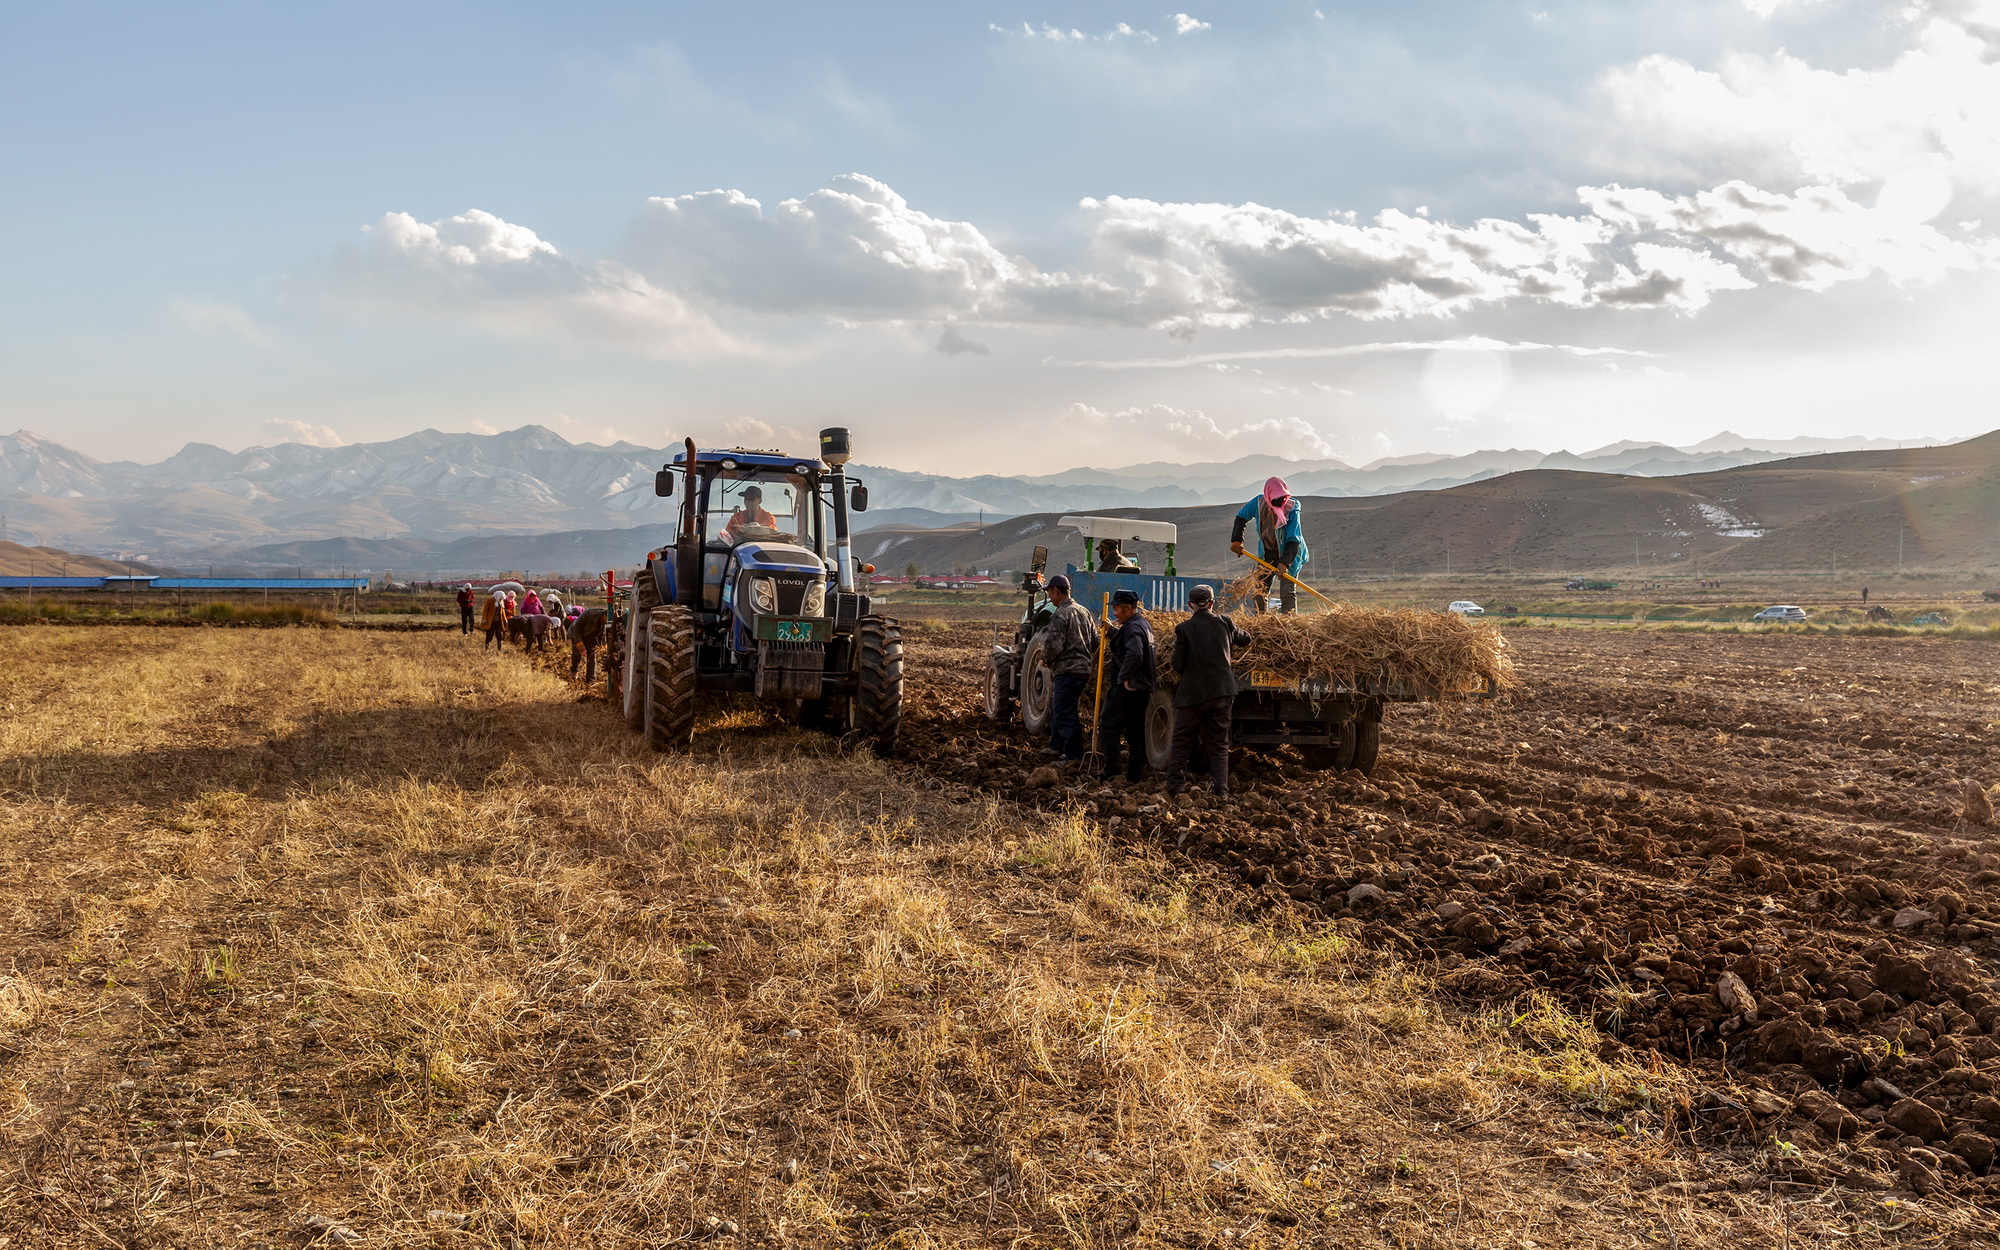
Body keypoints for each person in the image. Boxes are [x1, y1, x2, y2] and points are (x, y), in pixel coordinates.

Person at [1167, 584, 1250, 796]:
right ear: (1212, 604)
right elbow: (1245, 638)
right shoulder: (1225, 622)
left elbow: (1178, 664)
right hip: (1223, 692)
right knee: (1219, 744)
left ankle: (1175, 787)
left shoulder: (1184, 628)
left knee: (1181, 742)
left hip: (1192, 695)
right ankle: (1221, 790)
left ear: (1189, 605)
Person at [1096, 588, 1156, 783]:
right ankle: (1134, 775)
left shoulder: (1132, 628)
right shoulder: (1142, 625)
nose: (1114, 613)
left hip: (1127, 688)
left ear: (1128, 609)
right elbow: (1128, 641)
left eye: (1117, 609)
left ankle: (1111, 771)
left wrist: (1123, 677)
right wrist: (1112, 630)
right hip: (1142, 688)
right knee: (1134, 732)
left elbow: (1136, 654)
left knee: (1108, 726)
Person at [1035, 574, 1096, 763]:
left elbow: (1054, 645)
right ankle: (1055, 746)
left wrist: (1045, 659)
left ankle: (1073, 756)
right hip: (1083, 670)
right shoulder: (1084, 611)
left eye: (1050, 593)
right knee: (1058, 706)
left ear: (1056, 591)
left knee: (1064, 713)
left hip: (1067, 670)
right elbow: (1095, 642)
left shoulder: (1060, 614)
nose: (1050, 598)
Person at [1230, 477, 1308, 614]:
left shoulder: (1292, 508)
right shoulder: (1259, 503)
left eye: (1282, 498)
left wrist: (1285, 563)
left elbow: (1293, 539)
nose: (1280, 502)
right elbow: (1241, 517)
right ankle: (1261, 620)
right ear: (1268, 496)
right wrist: (1237, 541)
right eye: (1276, 499)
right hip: (1267, 553)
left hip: (1290, 554)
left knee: (1287, 592)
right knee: (1259, 590)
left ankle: (1288, 622)